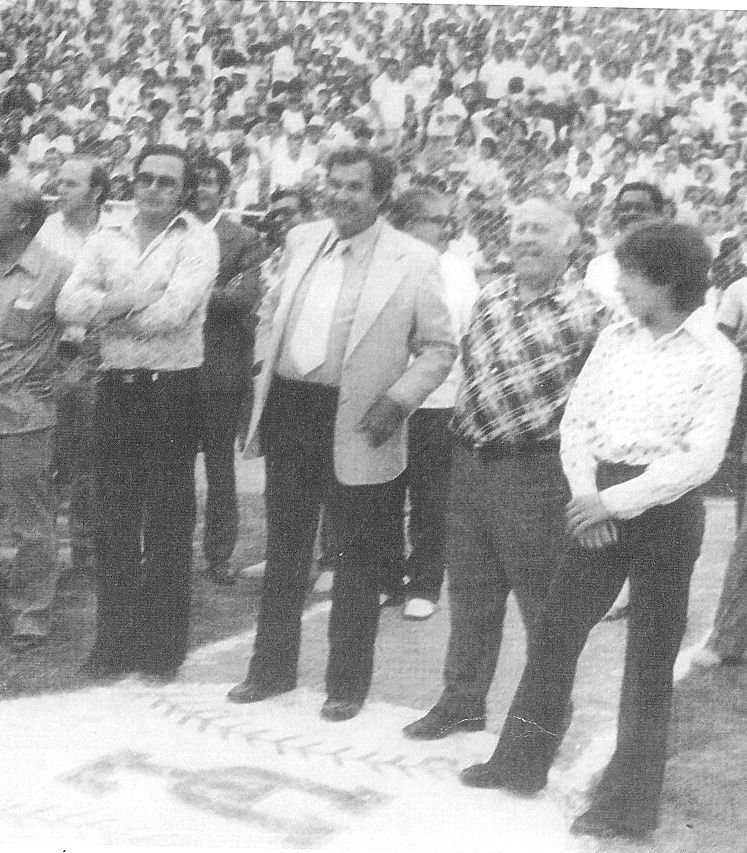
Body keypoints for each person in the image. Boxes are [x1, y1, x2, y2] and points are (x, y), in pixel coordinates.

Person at [461, 220, 741, 841]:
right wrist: (588, 495)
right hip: (596, 502)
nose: (618, 284)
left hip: (664, 511)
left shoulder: (717, 357)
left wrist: (613, 502)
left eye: (629, 273)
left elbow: (701, 458)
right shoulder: (615, 340)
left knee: (649, 657)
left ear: (664, 280)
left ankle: (629, 804)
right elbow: (577, 423)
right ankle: (519, 763)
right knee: (557, 634)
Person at [227, 147, 456, 721]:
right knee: (286, 550)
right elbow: (276, 314)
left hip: (362, 418)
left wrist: (398, 401)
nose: (341, 196)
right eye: (333, 184)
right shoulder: (303, 239)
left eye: (355, 187)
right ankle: (270, 671)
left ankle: (346, 686)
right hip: (290, 407)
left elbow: (439, 348)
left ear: (381, 196)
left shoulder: (414, 258)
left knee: (357, 557)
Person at [403, 196, 606, 740]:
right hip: (470, 464)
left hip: (537, 475)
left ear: (570, 242)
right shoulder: (489, 298)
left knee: (542, 605)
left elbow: (597, 405)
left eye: (540, 229)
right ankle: (462, 702)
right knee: (470, 595)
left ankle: (543, 720)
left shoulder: (591, 312)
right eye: (518, 228)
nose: (526, 238)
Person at [56, 144, 219, 682]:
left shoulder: (199, 240)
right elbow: (67, 304)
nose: (153, 189)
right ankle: (113, 644)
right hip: (117, 388)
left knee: (168, 521)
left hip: (173, 391)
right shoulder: (108, 237)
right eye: (146, 178)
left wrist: (108, 305)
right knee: (114, 522)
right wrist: (132, 299)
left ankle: (162, 649)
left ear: (184, 190)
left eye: (166, 182)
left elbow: (174, 314)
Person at [388, 187, 479, 620]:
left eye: (449, 219)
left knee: (431, 498)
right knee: (382, 493)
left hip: (440, 401)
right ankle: (385, 579)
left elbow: (466, 338)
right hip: (385, 399)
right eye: (437, 220)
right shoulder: (385, 262)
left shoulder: (459, 270)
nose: (449, 228)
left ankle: (424, 583)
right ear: (405, 224)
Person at [0, 181, 72, 650]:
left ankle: (31, 613)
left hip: (21, 413)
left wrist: (62, 382)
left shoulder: (58, 270)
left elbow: (86, 338)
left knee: (31, 519)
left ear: (22, 219)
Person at [192, 154, 264, 585]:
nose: (201, 189)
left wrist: (180, 290)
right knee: (170, 465)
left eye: (208, 182)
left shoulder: (244, 238)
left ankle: (218, 555)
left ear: (224, 191)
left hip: (219, 371)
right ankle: (168, 548)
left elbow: (241, 299)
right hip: (171, 370)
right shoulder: (170, 234)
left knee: (219, 467)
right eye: (195, 181)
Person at [36, 156, 110, 574]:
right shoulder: (45, 232)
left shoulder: (118, 233)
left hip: (99, 355)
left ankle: (87, 549)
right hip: (53, 353)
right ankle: (42, 554)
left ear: (95, 192)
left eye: (70, 184)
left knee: (91, 456)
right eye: (59, 181)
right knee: (48, 455)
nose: (60, 189)